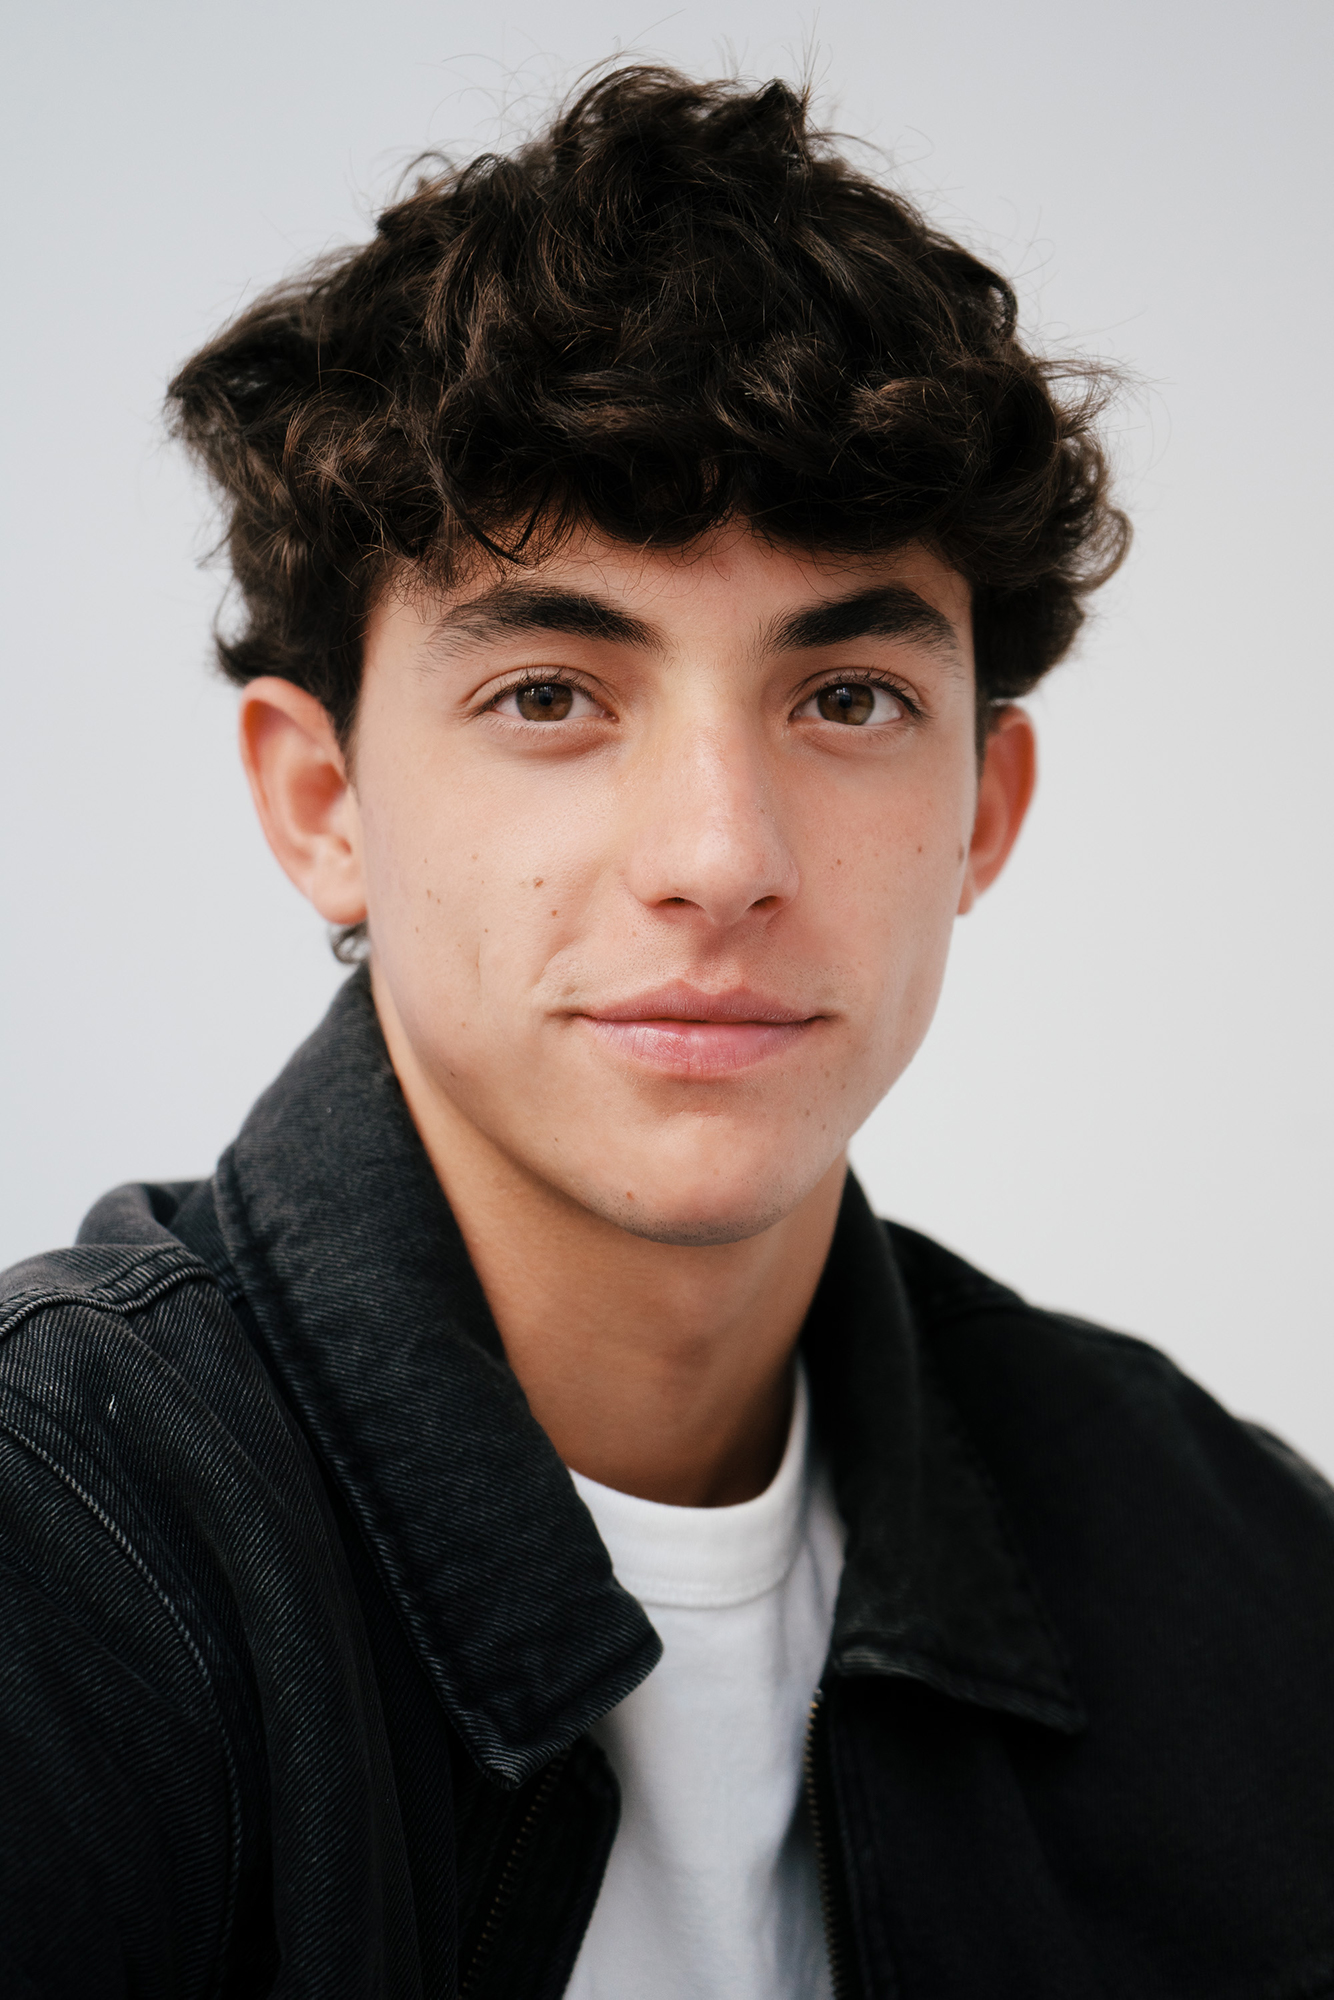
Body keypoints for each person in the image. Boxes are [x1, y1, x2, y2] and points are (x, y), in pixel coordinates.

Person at [2, 64, 1331, 2000]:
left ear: (983, 805)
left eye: (850, 698)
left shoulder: (1232, 1577)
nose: (720, 857)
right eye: (551, 691)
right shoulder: (60, 1566)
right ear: (322, 802)